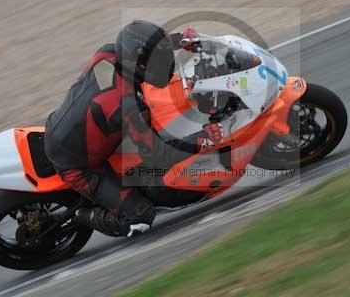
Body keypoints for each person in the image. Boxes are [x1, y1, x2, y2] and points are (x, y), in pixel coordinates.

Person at [44, 20, 223, 237]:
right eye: (159, 61)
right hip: (79, 166)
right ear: (139, 64)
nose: (166, 64)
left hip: (61, 126)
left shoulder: (107, 53)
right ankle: (81, 215)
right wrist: (202, 138)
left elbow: (142, 48)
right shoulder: (129, 106)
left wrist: (179, 40)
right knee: (140, 216)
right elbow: (158, 155)